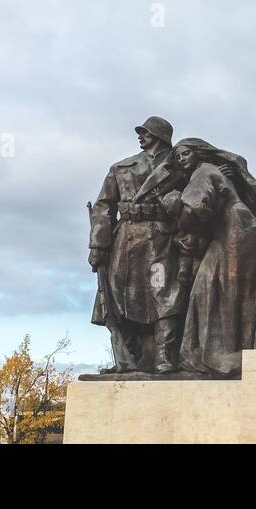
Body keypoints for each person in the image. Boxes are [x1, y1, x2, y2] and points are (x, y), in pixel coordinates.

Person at [162, 138, 256, 376]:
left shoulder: (203, 173)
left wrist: (174, 205)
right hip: (239, 230)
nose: (181, 160)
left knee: (214, 287)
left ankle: (224, 356)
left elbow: (193, 212)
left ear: (198, 153)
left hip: (236, 232)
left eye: (185, 154)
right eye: (178, 157)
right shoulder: (209, 171)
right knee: (220, 287)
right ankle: (235, 353)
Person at [88, 116, 185, 374]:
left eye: (147, 133)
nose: (141, 136)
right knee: (119, 297)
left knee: (164, 294)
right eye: (141, 133)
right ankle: (128, 356)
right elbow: (103, 208)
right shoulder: (121, 168)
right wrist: (98, 246)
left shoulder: (181, 167)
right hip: (127, 238)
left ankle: (165, 354)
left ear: (161, 137)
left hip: (162, 236)